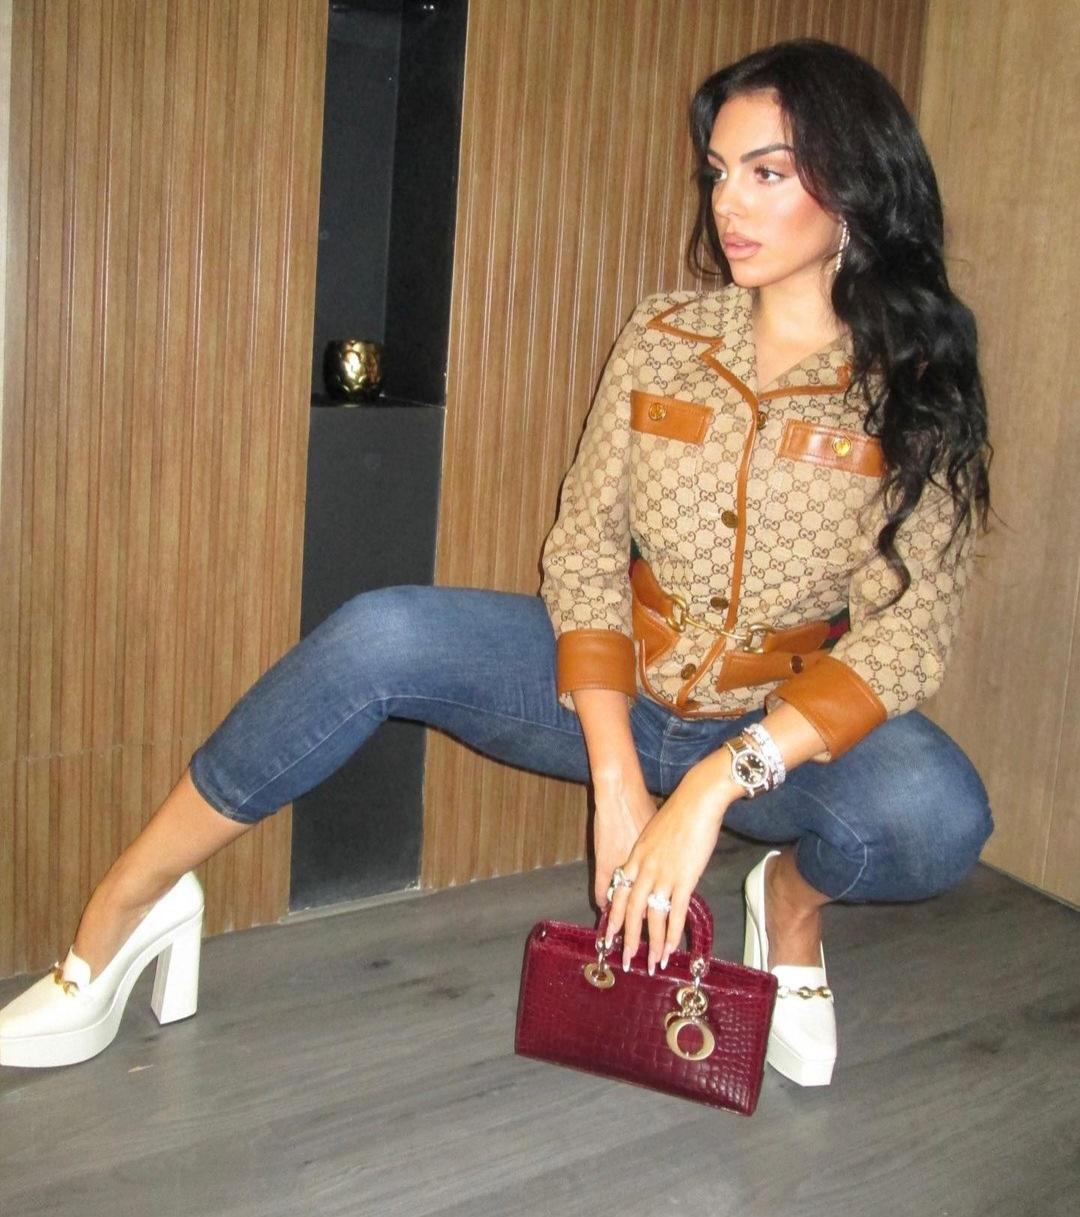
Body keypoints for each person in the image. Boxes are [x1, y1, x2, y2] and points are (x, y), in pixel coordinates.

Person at [0, 37, 993, 1087]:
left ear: (855, 186)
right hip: (617, 686)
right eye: (718, 172)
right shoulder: (666, 335)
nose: (727, 205)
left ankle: (787, 907)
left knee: (937, 813)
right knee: (382, 629)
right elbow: (586, 545)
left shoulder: (915, 378)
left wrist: (713, 784)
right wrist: (616, 776)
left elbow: (910, 628)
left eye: (767, 172)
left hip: (777, 724)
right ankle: (132, 901)